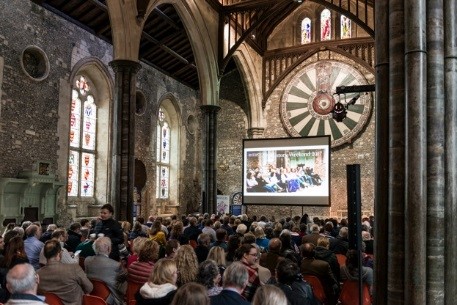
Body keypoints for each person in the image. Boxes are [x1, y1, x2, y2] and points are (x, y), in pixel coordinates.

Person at [37, 240, 93, 305]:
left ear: (44, 254)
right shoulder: (74, 268)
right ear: (59, 254)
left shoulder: (37, 274)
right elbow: (89, 288)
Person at [84, 237, 127, 305]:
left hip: (91, 295)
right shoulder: (116, 265)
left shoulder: (87, 260)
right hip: (110, 299)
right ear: (109, 248)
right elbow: (125, 278)